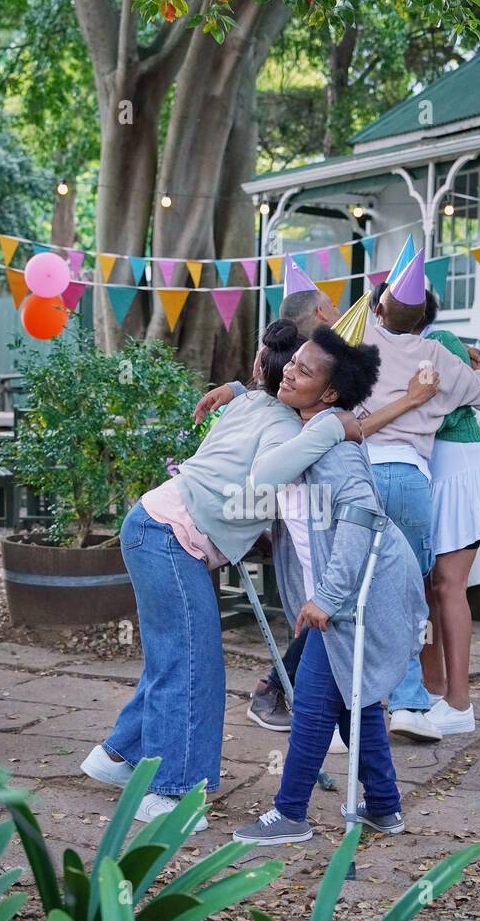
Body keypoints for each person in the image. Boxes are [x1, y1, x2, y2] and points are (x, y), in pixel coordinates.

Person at [79, 317, 361, 830]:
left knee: (177, 658)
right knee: (191, 665)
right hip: (169, 534)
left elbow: (252, 384)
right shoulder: (282, 424)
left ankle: (117, 756)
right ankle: (170, 796)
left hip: (155, 526)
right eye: (296, 367)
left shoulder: (252, 400)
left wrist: (234, 386)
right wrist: (333, 426)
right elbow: (268, 472)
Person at [231, 326, 427, 845]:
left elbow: (359, 522)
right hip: (340, 592)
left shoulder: (337, 452)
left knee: (316, 705)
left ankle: (290, 813)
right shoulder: (305, 435)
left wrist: (329, 599)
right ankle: (384, 807)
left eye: (304, 370)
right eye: (292, 362)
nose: (290, 372)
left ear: (331, 394)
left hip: (363, 590)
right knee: (352, 704)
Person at [355, 251, 480, 743]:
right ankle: (415, 701)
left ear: (376, 310)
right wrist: (468, 368)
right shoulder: (436, 354)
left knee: (361, 590)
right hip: (415, 479)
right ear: (426, 319)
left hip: (364, 476)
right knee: (413, 594)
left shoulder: (362, 339)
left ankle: (362, 701)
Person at [195, 281, 341, 734]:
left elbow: (274, 389)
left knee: (322, 600)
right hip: (300, 502)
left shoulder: (314, 363)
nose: (338, 310)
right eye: (332, 305)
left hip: (308, 494)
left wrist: (237, 389)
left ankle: (314, 698)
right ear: (318, 313)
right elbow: (280, 401)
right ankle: (278, 691)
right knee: (316, 602)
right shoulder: (302, 378)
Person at [420, 330, 480, 736]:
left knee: (448, 585)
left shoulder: (439, 341)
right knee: (426, 589)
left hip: (459, 471)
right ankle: (433, 687)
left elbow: (473, 400)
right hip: (434, 472)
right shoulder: (401, 345)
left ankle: (459, 703)